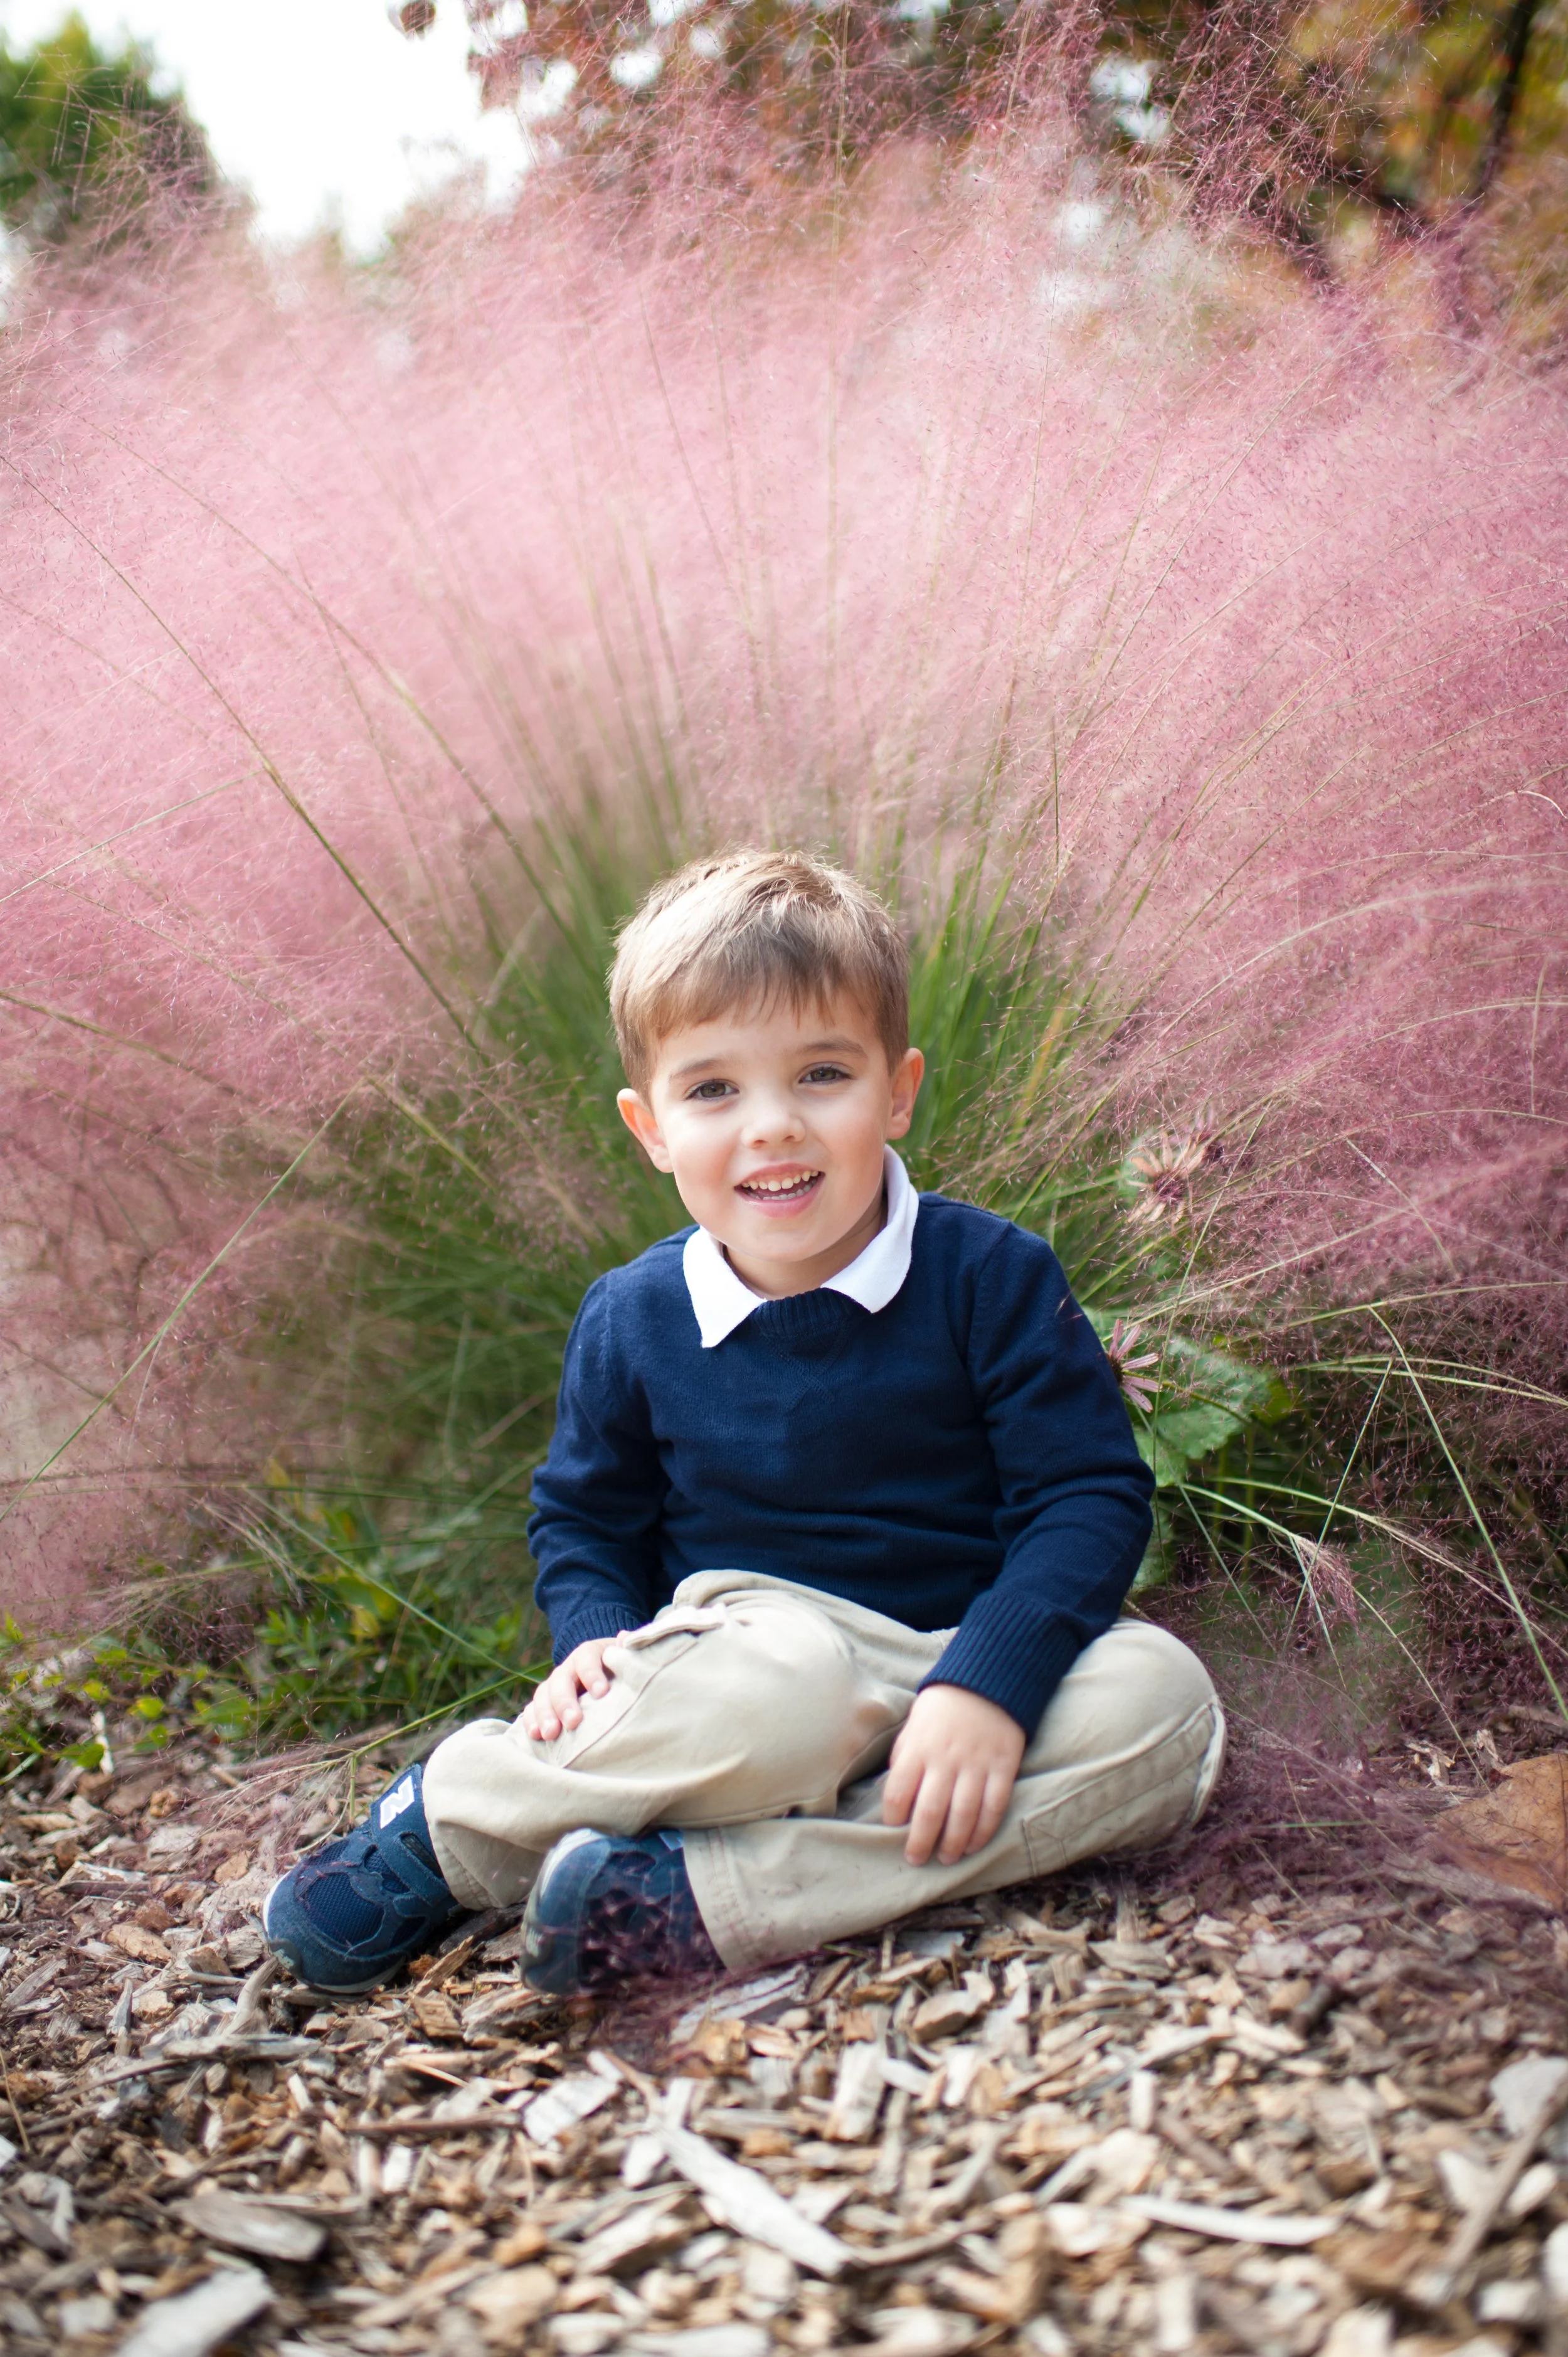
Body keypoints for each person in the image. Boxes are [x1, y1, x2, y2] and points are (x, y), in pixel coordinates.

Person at [263, 851, 1224, 1998]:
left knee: (1165, 1707)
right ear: (651, 1127)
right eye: (713, 1090)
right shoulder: (634, 1317)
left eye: (822, 1073)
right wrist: (596, 1643)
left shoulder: (991, 1275)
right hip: (754, 1665)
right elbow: (586, 1518)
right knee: (790, 1700)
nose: (771, 1128)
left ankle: (688, 1899)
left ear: (898, 1089)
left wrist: (988, 1686)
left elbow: (1086, 1495)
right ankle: (452, 1818)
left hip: (960, 1654)